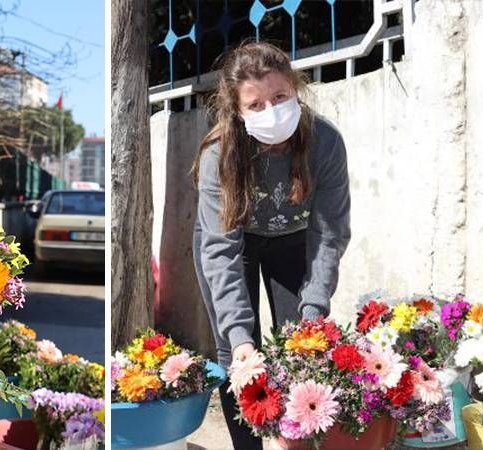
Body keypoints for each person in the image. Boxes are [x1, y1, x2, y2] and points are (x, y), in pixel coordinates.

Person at [192, 41, 351, 450]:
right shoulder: (219, 154)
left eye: (279, 97)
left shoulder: (325, 143)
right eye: (256, 104)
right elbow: (220, 252)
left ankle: (296, 441)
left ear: (296, 89)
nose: (272, 111)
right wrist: (241, 338)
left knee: (300, 345)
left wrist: (314, 307)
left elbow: (329, 233)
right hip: (232, 245)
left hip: (294, 241)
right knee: (238, 356)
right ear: (237, 110)